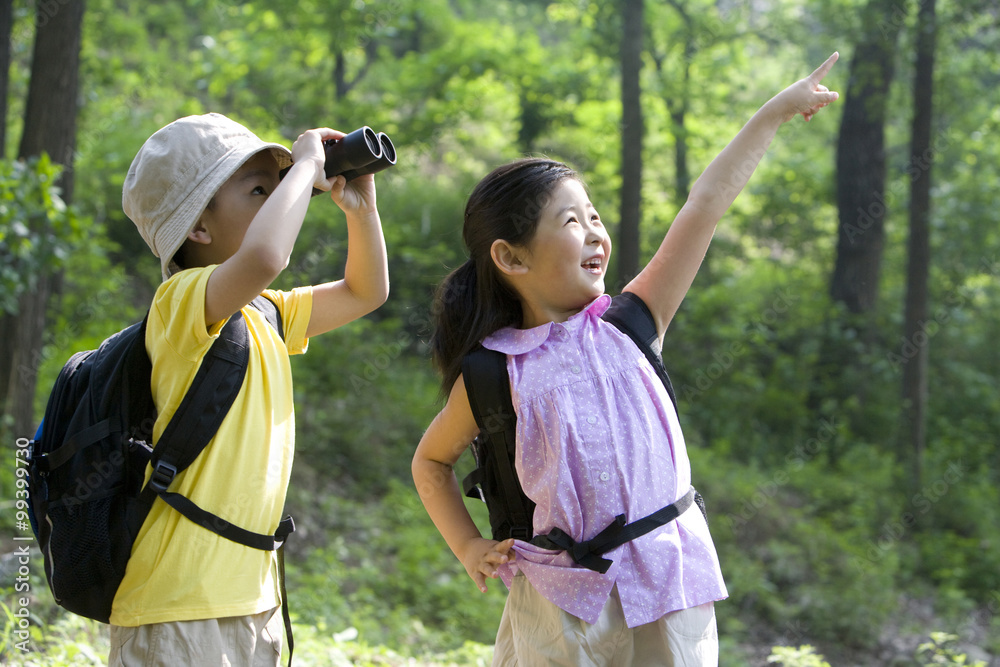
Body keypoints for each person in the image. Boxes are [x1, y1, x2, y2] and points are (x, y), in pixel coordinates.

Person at [411, 53, 839, 665]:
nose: (594, 232)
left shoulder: (633, 322)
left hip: (669, 583)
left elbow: (705, 205)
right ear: (511, 258)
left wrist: (772, 114)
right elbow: (431, 461)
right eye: (571, 220)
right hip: (559, 601)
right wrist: (467, 545)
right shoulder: (493, 371)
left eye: (595, 217)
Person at [109, 112, 389, 665]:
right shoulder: (181, 303)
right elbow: (265, 257)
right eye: (261, 188)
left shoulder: (264, 311)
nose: (283, 196)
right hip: (177, 605)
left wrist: (363, 210)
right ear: (198, 228)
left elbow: (366, 291)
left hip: (250, 597)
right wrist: (306, 164)